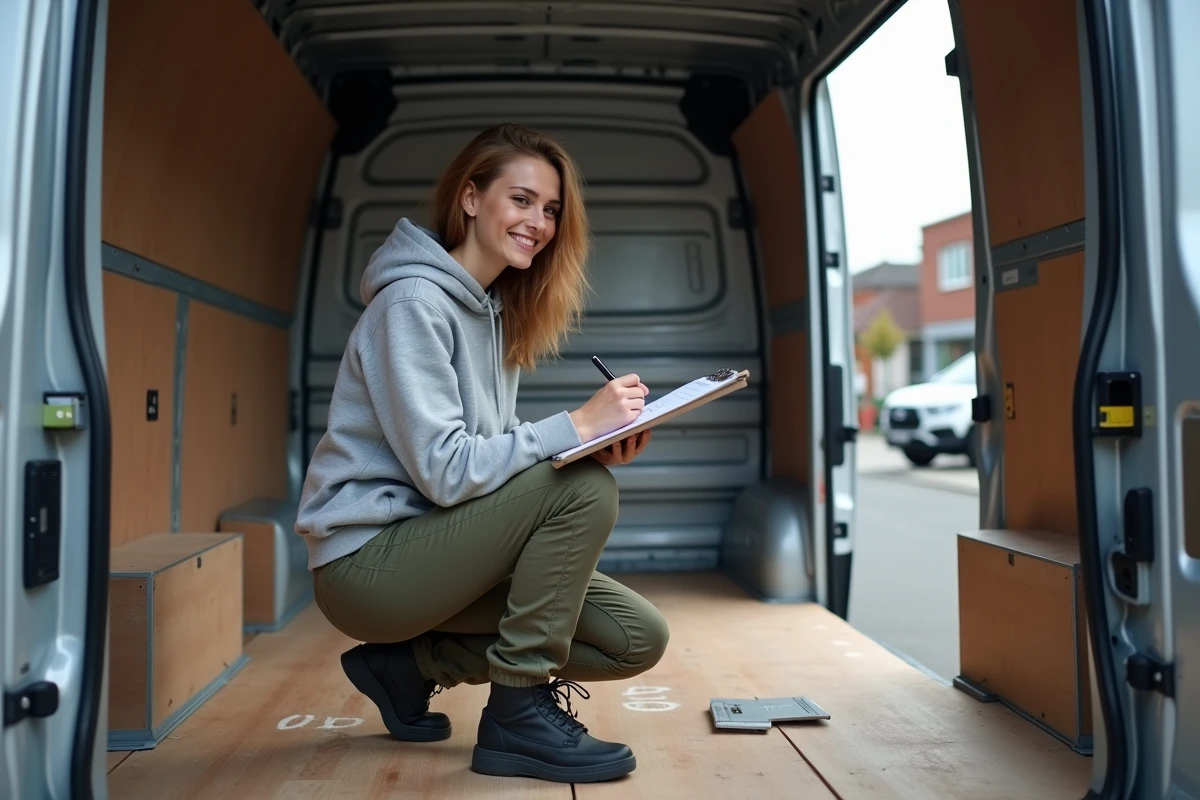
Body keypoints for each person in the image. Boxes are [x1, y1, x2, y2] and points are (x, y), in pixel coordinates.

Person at [295, 122, 669, 784]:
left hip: (432, 548)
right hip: (366, 565)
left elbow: (487, 454)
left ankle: (408, 667)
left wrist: (590, 444)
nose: (540, 221)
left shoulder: (489, 310)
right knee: (583, 492)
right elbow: (447, 471)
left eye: (551, 209)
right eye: (521, 199)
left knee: (637, 638)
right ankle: (515, 717)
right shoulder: (412, 304)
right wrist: (574, 427)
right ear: (471, 199)